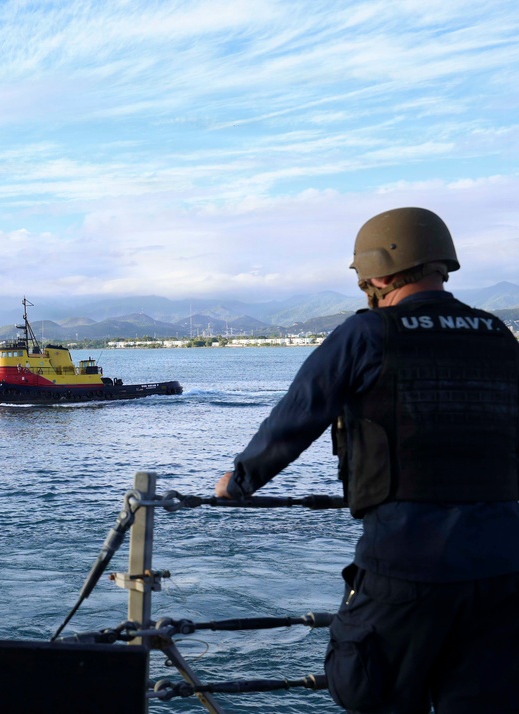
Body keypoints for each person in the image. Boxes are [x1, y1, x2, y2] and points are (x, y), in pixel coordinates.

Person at [215, 207, 519, 713]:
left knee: (368, 688)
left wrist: (239, 481)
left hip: (406, 562)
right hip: (503, 566)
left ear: (375, 275)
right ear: (442, 263)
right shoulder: (497, 335)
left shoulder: (368, 333)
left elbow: (297, 416)